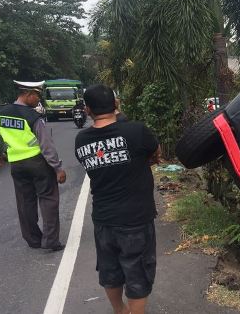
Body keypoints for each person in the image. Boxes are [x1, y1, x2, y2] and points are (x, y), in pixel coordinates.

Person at [74, 84, 161, 314]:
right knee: (138, 274)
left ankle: (119, 311)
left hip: (103, 220)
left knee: (110, 271)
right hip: (136, 219)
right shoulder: (136, 131)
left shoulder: (81, 140)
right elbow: (155, 152)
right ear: (116, 104)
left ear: (88, 110)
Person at [0, 80, 67, 251]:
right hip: (38, 163)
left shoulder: (1, 113)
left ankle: (33, 239)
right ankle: (50, 241)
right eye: (37, 96)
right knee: (49, 200)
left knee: (25, 202)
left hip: (17, 165)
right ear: (27, 94)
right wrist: (57, 168)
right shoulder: (33, 117)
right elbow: (46, 144)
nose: (38, 100)